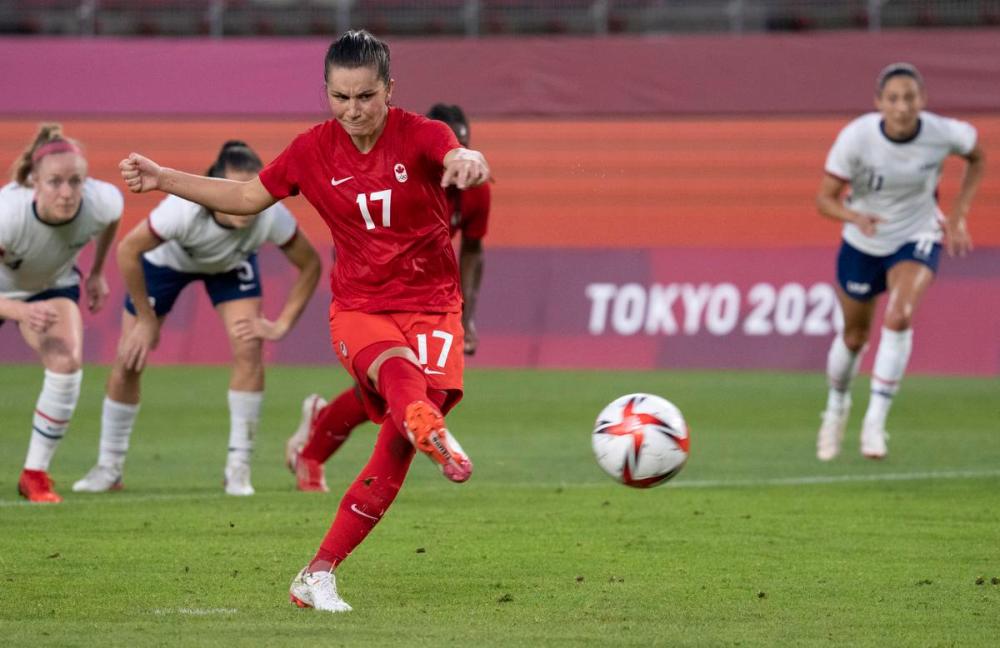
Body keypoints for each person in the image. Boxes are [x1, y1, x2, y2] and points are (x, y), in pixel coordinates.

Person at [118, 30, 490, 612]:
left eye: (365, 96)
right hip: (361, 309)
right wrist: (164, 176)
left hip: (434, 307)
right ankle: (421, 415)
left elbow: (455, 154)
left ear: (390, 89)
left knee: (395, 450)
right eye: (340, 97)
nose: (353, 110)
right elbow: (243, 199)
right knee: (399, 377)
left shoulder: (422, 134)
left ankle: (316, 574)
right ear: (326, 92)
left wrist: (468, 158)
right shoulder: (313, 150)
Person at [74, 140, 321, 496]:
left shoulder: (268, 214)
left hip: (230, 265)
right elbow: (128, 249)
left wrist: (282, 323)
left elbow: (310, 263)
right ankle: (108, 467)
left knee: (250, 348)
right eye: (233, 190)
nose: (245, 201)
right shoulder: (182, 211)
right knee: (129, 358)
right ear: (215, 187)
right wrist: (145, 318)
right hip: (167, 263)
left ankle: (238, 470)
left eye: (250, 190)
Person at [284, 102, 492, 493]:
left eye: (462, 148)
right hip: (371, 291)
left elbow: (473, 252)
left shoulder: (472, 190)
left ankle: (316, 436)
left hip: (427, 296)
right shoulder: (403, 169)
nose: (455, 165)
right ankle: (312, 453)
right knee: (387, 390)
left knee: (398, 393)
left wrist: (467, 316)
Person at [814, 63, 985, 461]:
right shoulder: (856, 138)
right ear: (879, 103)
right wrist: (854, 216)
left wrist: (958, 214)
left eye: (910, 98)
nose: (902, 107)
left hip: (917, 233)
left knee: (899, 315)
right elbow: (823, 199)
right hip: (863, 240)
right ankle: (836, 407)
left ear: (922, 100)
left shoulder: (944, 133)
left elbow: (977, 157)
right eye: (893, 99)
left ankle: (875, 421)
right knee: (854, 338)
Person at [0, 124, 122, 503]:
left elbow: (110, 221)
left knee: (66, 362)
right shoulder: (8, 214)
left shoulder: (104, 202)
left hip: (51, 285)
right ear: (33, 180)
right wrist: (18, 309)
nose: (67, 193)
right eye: (55, 182)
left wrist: (98, 272)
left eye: (75, 181)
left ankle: (35, 474)